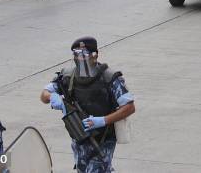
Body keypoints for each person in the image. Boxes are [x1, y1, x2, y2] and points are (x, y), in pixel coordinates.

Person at [40, 37, 135, 173]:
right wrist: (52, 97)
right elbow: (44, 95)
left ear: (94, 55)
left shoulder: (109, 78)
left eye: (84, 54)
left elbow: (129, 107)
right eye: (77, 54)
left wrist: (102, 121)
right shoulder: (67, 76)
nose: (81, 58)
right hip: (79, 138)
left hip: (103, 139)